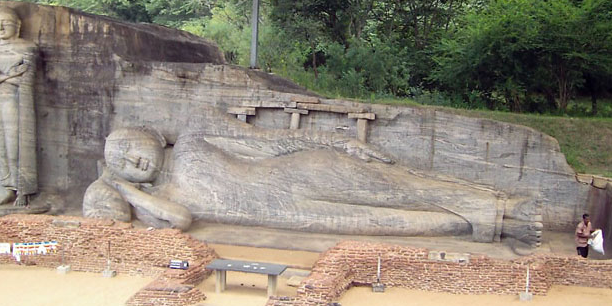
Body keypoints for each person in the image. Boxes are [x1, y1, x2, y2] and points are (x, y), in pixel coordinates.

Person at [83, 124, 543, 245]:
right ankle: (494, 225)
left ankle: (506, 207)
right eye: (122, 163)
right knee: (398, 222)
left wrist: (340, 144)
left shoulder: (192, 140)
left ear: (148, 133)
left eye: (130, 146)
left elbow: (271, 141)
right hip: (291, 212)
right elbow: (180, 221)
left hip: (302, 171)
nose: (133, 159)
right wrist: (123, 190)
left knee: (403, 188)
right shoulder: (159, 201)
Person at [0, 6, 38, 207]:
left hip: (15, 100)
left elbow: (27, 79)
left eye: (6, 23)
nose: (2, 27)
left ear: (18, 25)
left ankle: (22, 188)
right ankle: (7, 187)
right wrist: (11, 74)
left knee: (15, 146)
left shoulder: (27, 48)